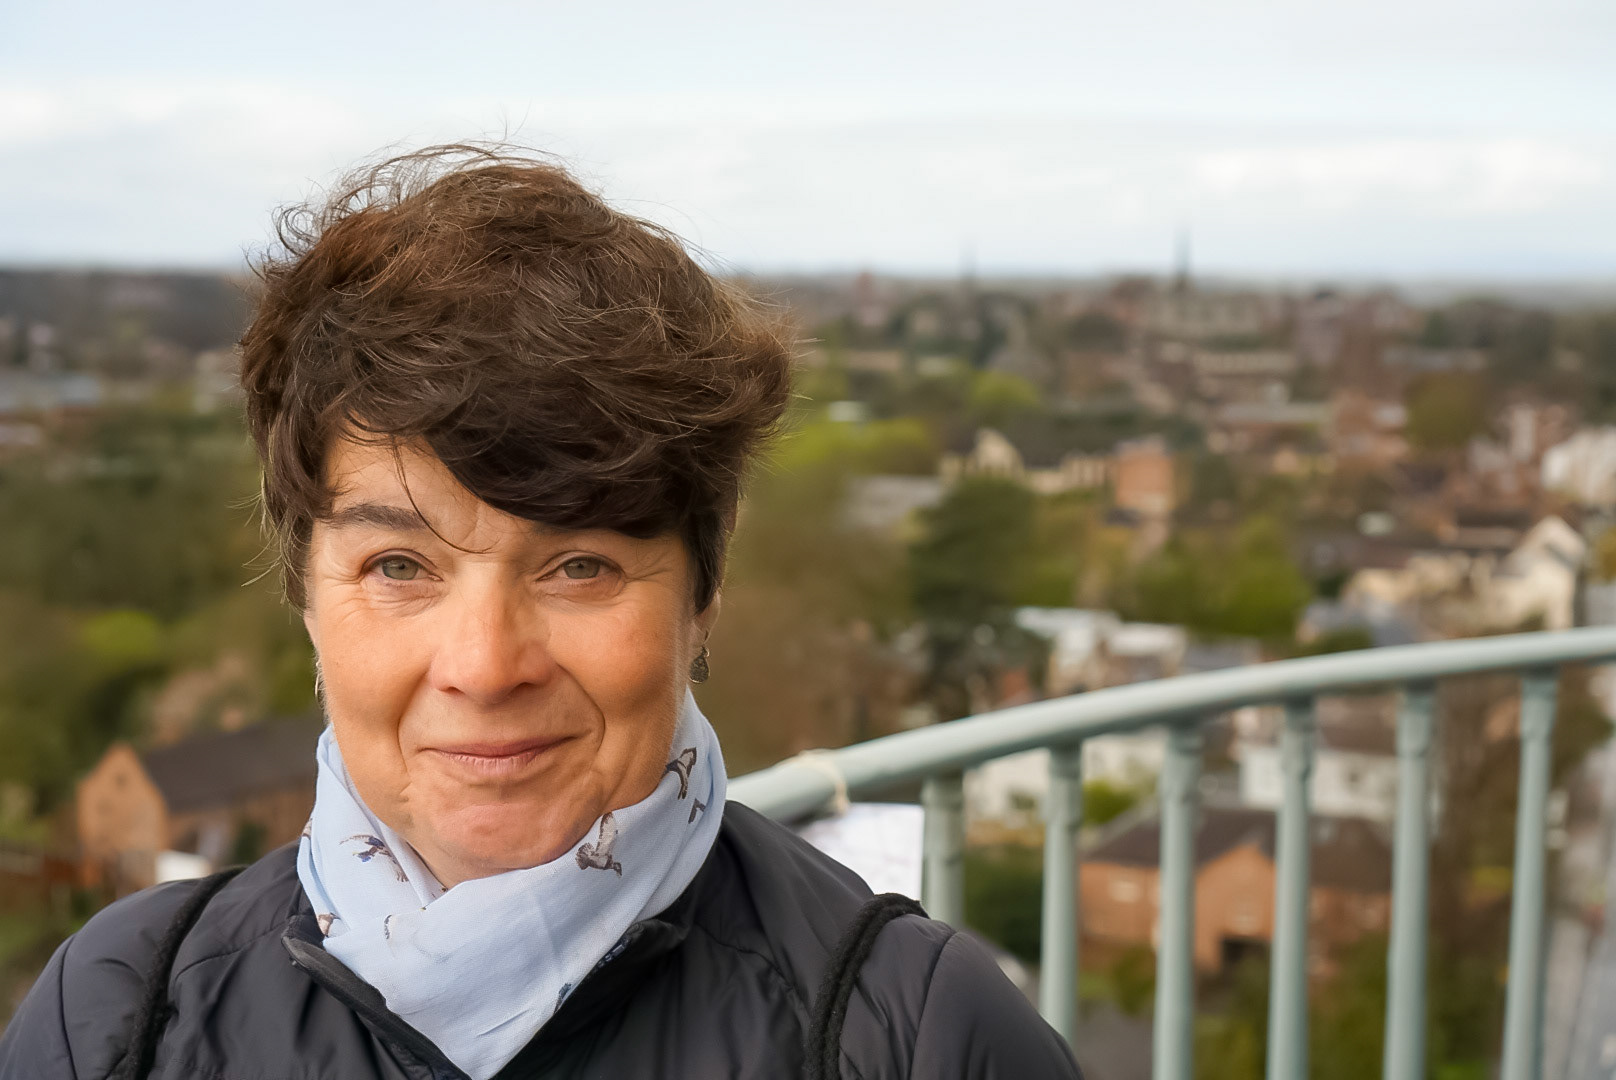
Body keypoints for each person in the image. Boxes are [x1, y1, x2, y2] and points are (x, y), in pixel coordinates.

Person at [0, 146, 1081, 1080]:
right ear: (306, 597)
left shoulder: (916, 1037)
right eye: (398, 566)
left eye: (577, 566)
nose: (483, 664)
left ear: (702, 595)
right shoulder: (117, 1019)